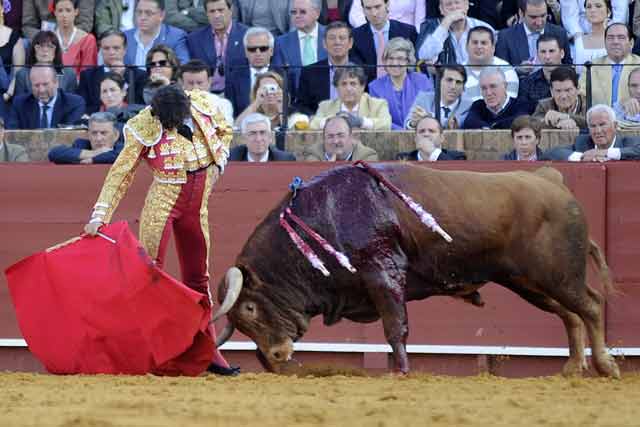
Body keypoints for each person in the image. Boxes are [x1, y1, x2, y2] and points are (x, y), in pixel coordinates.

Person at [82, 85, 236, 375]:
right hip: (163, 204)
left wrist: (219, 163)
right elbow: (121, 172)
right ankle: (151, 353)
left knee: (199, 280)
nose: (168, 127)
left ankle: (209, 354)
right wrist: (99, 215)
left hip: (197, 206)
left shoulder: (202, 104)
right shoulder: (145, 123)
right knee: (150, 277)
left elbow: (226, 130)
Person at [77, 30, 147, 115]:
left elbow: (141, 107)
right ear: (100, 50)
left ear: (125, 50)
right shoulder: (88, 76)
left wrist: (123, 77)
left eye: (116, 48)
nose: (111, 52)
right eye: (106, 48)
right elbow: (83, 107)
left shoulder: (140, 76)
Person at [186, 0, 249, 96]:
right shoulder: (194, 39)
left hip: (239, 96)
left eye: (220, 10)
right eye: (212, 11)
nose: (216, 16)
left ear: (231, 10)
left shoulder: (247, 35)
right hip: (206, 96)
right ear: (206, 14)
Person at [368, 37, 432, 130]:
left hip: (420, 133)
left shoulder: (422, 81)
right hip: (389, 138)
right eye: (391, 58)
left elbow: (429, 112)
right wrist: (402, 132)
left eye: (400, 58)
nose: (395, 63)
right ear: (385, 61)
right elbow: (378, 120)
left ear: (408, 61)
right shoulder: (375, 87)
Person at [295, 21, 356, 116]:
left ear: (350, 43)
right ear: (324, 43)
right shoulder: (309, 72)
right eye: (332, 38)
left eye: (342, 38)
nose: (337, 42)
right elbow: (301, 106)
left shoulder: (363, 71)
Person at [494, 0, 571, 76]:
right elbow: (499, 72)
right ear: (521, 14)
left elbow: (569, 67)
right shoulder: (505, 37)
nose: (539, 22)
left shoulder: (560, 33)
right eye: (533, 17)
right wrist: (517, 70)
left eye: (543, 16)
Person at [350, 0, 417, 83]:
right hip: (367, 91)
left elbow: (414, 66)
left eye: (377, 7)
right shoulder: (355, 36)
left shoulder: (407, 32)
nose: (374, 13)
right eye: (368, 8)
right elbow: (356, 68)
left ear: (387, 4)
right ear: (363, 10)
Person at [543, 104, 640, 161]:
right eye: (593, 126)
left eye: (602, 125)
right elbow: (550, 153)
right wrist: (582, 157)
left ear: (615, 126)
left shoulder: (628, 142)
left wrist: (605, 153)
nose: (598, 131)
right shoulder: (582, 143)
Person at [272, 0, 327, 98]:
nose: (297, 16)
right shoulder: (281, 42)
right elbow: (278, 76)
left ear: (317, 13)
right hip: (296, 100)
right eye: (293, 12)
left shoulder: (331, 36)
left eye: (302, 12)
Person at [579, 23, 640, 106]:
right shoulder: (592, 66)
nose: (615, 42)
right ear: (604, 42)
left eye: (621, 37)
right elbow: (581, 96)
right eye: (610, 38)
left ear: (631, 43)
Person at [7, 65, 85, 129]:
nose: (41, 90)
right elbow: (13, 135)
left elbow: (68, 136)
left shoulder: (74, 103)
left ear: (56, 83)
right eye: (36, 85)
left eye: (45, 84)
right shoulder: (20, 103)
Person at [416, 0, 494, 65]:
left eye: (457, 2)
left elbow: (492, 59)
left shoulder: (484, 27)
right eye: (448, 4)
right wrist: (446, 22)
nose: (454, 7)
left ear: (466, 5)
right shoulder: (433, 27)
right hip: (446, 79)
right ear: (441, 10)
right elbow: (424, 56)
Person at [226, 26, 276, 117]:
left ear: (271, 51)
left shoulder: (283, 75)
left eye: (263, 49)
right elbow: (231, 113)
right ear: (245, 52)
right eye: (252, 49)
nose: (258, 53)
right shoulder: (234, 77)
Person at [234, 70, 307, 132]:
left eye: (273, 88)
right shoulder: (253, 114)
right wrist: (256, 102)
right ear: (257, 91)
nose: (269, 92)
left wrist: (281, 107)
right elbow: (236, 128)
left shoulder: (294, 115)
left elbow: (292, 136)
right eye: (264, 88)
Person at [123, 0, 190, 68]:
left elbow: (183, 67)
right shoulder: (125, 37)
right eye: (139, 12)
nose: (142, 17)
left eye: (148, 13)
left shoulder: (176, 37)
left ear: (161, 15)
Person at [405, 65, 472, 130]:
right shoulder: (424, 98)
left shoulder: (468, 105)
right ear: (439, 82)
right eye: (449, 80)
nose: (453, 86)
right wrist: (413, 123)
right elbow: (406, 124)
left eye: (458, 82)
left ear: (463, 87)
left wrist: (429, 118)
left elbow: (453, 125)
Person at [13, 31, 77, 97]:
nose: (45, 50)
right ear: (34, 50)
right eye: (40, 46)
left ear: (56, 51)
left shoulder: (69, 73)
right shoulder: (22, 74)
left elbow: (72, 102)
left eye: (50, 46)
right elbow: (20, 103)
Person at [463, 26, 518, 101]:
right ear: (466, 46)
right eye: (475, 42)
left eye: (483, 43)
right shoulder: (457, 72)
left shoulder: (506, 70)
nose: (479, 46)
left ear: (493, 48)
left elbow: (507, 105)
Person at [463, 67, 529, 129]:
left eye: (493, 86)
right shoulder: (478, 105)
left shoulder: (521, 104)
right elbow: (469, 122)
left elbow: (520, 121)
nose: (488, 93)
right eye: (484, 88)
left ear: (505, 86)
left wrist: (490, 127)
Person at [48, 112, 123, 164]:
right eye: (94, 133)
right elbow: (54, 153)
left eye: (104, 133)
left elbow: (125, 155)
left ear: (116, 135)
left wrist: (93, 160)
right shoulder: (81, 145)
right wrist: (93, 153)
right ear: (88, 135)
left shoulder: (121, 147)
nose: (98, 138)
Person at [517, 34, 565, 112]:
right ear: (537, 55)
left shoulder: (576, 79)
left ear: (562, 53)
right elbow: (523, 116)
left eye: (552, 51)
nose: (547, 57)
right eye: (543, 52)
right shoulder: (527, 83)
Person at [178, 59, 234, 124]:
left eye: (200, 83)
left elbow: (226, 130)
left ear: (209, 81)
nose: (195, 88)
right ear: (181, 83)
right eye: (190, 83)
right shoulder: (175, 106)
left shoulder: (222, 104)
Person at [303, 113, 379, 160]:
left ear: (351, 137)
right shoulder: (314, 154)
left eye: (340, 135)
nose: (335, 141)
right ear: (324, 139)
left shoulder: (367, 156)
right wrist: (328, 167)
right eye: (330, 136)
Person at [53, 0, 97, 78]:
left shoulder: (88, 40)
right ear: (55, 13)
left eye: (68, 10)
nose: (64, 15)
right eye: (60, 11)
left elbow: (87, 72)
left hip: (78, 87)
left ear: (76, 12)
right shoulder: (48, 38)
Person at [229, 112, 296, 161]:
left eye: (263, 133)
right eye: (252, 133)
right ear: (244, 138)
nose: (258, 139)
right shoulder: (230, 159)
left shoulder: (284, 160)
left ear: (270, 137)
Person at [396, 114, 466, 161]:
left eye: (431, 131)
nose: (426, 134)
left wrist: (433, 153)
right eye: (422, 131)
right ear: (416, 138)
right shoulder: (403, 158)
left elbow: (455, 175)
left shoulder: (457, 157)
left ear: (441, 138)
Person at [22, 0, 94, 40]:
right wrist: (44, 39)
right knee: (24, 43)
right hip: (42, 38)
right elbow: (28, 25)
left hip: (72, 37)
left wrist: (63, 38)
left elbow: (85, 24)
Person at [572, 0, 609, 73]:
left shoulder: (614, 40)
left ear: (608, 12)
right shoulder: (579, 41)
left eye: (598, 6)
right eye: (588, 7)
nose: (592, 10)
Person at [561, 0, 628, 39]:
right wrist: (579, 38)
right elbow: (569, 15)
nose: (593, 10)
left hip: (609, 27)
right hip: (581, 31)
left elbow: (621, 12)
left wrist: (612, 33)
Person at [349, 0, 425, 31]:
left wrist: (414, 38)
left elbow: (420, 20)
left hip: (407, 34)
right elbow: (355, 14)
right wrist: (371, 31)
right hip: (374, 30)